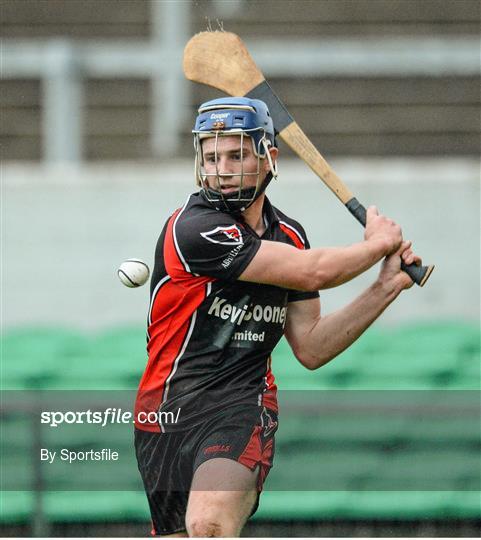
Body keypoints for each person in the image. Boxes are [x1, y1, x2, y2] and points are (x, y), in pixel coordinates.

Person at [134, 97, 421, 537]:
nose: (222, 169)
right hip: (165, 413)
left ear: (268, 158)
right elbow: (315, 270)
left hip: (239, 405)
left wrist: (385, 286)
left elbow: (311, 345)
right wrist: (378, 244)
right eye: (211, 157)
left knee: (208, 525)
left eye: (236, 154)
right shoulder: (195, 229)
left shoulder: (288, 235)